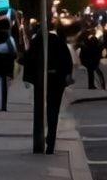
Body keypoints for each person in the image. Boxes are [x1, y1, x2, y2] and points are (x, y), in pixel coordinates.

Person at [21, 21, 73, 155]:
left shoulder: (37, 41)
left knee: (40, 109)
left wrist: (27, 78)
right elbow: (67, 61)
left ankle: (42, 138)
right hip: (57, 80)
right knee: (53, 111)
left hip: (41, 80)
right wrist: (67, 75)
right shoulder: (58, 42)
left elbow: (27, 60)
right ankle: (51, 141)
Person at [78, 26, 106, 91]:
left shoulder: (86, 44)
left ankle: (92, 85)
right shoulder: (94, 43)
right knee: (96, 72)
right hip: (93, 60)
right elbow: (100, 48)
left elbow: (82, 53)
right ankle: (97, 85)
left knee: (91, 73)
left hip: (89, 61)